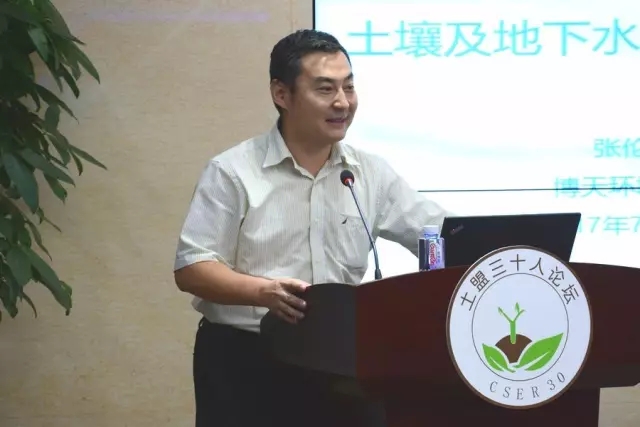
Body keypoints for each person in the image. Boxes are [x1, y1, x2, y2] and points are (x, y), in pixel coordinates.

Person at [173, 29, 452, 427]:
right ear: (281, 94)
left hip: (341, 359)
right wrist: (263, 292)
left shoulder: (368, 172)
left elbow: (440, 235)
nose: (343, 102)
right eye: (325, 89)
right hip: (247, 360)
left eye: (349, 86)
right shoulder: (232, 171)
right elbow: (192, 267)